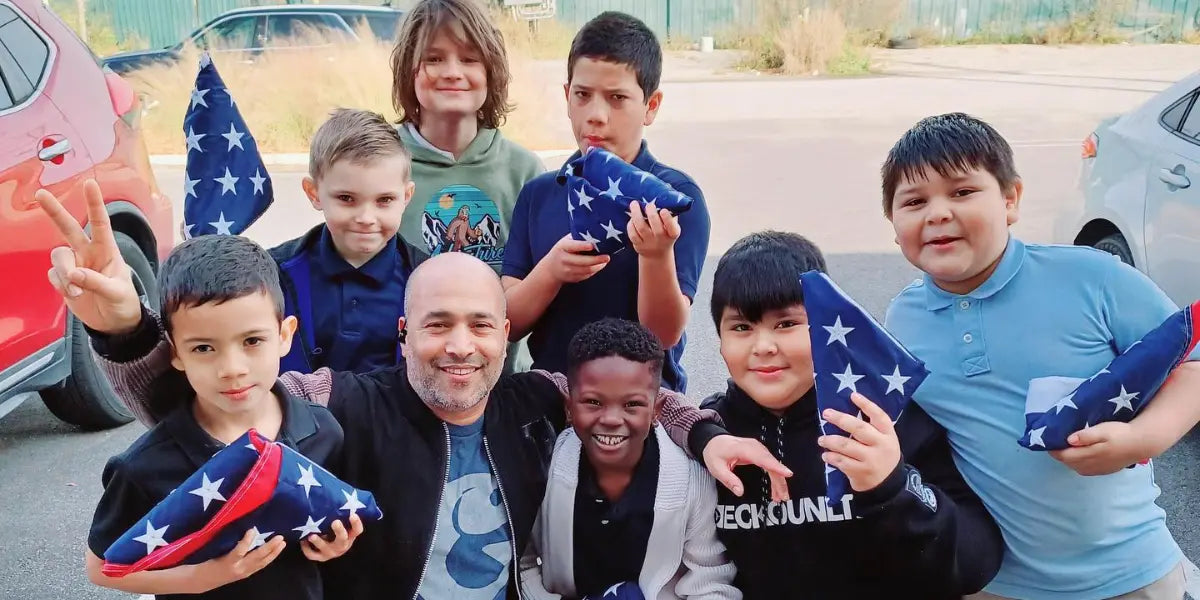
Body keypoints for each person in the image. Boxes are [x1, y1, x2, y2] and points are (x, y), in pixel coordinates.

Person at [35, 184, 790, 600]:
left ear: (506, 334)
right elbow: (209, 409)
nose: (460, 345)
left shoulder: (532, 403)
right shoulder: (336, 401)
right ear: (403, 333)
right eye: (437, 325)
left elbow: (629, 397)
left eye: (480, 325)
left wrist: (706, 432)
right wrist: (128, 331)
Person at [881, 112, 1200, 599]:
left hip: (1132, 575)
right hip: (994, 583)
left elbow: (1192, 360)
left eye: (963, 192)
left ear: (1011, 200)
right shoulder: (903, 319)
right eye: (914, 201)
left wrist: (1141, 438)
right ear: (893, 222)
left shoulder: (1093, 278)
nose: (938, 213)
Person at [42, 186, 364, 598]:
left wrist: (334, 544)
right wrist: (207, 576)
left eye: (252, 341)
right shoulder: (145, 465)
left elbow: (327, 522)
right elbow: (104, 567)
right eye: (204, 348)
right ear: (175, 353)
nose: (232, 369)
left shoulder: (321, 430)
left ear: (285, 336)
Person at [697, 230, 1003, 599]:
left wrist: (892, 486)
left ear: (826, 326)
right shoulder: (713, 432)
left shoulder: (879, 419)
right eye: (742, 327)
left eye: (787, 324)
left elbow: (977, 561)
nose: (764, 347)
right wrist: (702, 437)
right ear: (719, 339)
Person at [501, 11, 711, 392]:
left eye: (617, 98)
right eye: (583, 95)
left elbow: (662, 335)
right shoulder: (539, 194)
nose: (596, 116)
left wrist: (655, 256)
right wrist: (550, 272)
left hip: (643, 408)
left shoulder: (675, 200)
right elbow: (507, 323)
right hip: (550, 403)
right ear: (567, 97)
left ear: (651, 105)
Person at [521, 319, 739, 600]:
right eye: (593, 402)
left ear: (657, 410)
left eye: (632, 405)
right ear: (569, 407)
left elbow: (712, 583)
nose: (611, 419)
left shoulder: (691, 483)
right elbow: (523, 562)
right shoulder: (545, 468)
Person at [390, 0, 546, 373]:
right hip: (405, 383)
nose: (452, 72)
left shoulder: (524, 171)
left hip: (503, 382)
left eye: (469, 59)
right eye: (434, 58)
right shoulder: (382, 163)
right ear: (408, 71)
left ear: (492, 72)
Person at [278, 108, 426, 375]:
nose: (366, 218)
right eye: (347, 198)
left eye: (384, 200)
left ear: (406, 196)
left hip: (392, 416)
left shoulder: (429, 281)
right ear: (314, 193)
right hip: (299, 414)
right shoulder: (273, 274)